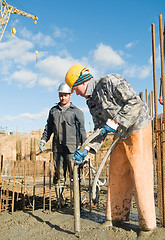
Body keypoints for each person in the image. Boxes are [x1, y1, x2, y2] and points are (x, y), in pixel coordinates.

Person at [65, 64, 156, 238]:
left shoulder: (111, 81)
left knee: (139, 172)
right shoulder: (91, 102)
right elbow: (100, 129)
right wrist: (88, 148)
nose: (75, 93)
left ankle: (147, 226)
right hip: (120, 134)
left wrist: (114, 122)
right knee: (116, 172)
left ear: (82, 81)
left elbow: (135, 102)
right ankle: (114, 217)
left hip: (138, 127)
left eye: (75, 88)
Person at [39, 82, 86, 206]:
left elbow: (82, 132)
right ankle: (60, 201)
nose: (62, 98)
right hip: (57, 149)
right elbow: (48, 128)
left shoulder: (77, 112)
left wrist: (84, 148)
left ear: (70, 95)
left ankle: (77, 202)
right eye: (60, 95)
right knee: (59, 176)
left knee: (74, 176)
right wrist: (43, 140)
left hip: (72, 150)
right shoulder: (53, 111)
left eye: (65, 95)